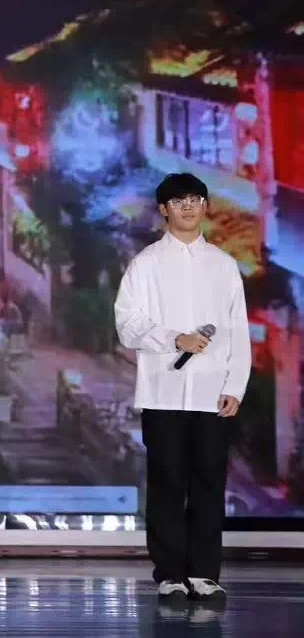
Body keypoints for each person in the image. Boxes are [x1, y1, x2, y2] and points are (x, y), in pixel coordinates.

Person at [114, 172, 251, 602]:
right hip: (163, 391)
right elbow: (127, 324)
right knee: (167, 484)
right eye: (178, 201)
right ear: (163, 210)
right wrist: (174, 339)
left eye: (195, 199)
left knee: (209, 483)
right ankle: (170, 574)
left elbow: (238, 330)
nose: (188, 207)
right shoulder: (146, 264)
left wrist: (236, 385)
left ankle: (205, 573)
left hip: (213, 393)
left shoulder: (224, 265)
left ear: (205, 206)